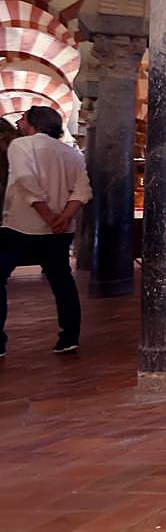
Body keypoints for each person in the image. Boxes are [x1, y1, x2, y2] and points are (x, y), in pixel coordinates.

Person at [0, 107, 92, 356]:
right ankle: (69, 337)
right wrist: (63, 218)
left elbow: (26, 181)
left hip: (21, 226)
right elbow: (83, 191)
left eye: (22, 118)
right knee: (62, 282)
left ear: (33, 122)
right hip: (60, 231)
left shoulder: (21, 146)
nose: (18, 122)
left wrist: (50, 217)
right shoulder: (71, 153)